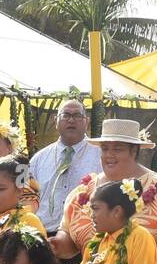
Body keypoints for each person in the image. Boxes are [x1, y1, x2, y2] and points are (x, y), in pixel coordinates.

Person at [52, 118, 157, 261]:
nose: (109, 154)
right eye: (105, 148)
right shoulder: (83, 191)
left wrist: (153, 262)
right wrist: (57, 243)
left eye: (117, 149)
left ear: (134, 151)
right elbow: (67, 233)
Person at [65, 179, 157, 264]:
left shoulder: (140, 237)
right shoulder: (98, 239)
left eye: (95, 209)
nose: (91, 215)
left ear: (117, 211)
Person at [28, 98, 102, 234]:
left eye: (77, 115)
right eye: (66, 115)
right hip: (43, 236)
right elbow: (26, 199)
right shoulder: (38, 159)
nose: (71, 120)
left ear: (87, 121)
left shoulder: (101, 156)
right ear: (55, 120)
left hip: (85, 238)